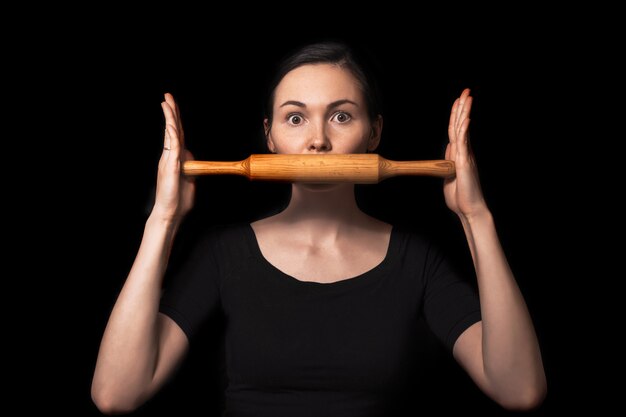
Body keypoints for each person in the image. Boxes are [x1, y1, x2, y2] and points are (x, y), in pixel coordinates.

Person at [91, 42, 546, 415]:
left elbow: (519, 390)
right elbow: (116, 395)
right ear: (269, 137)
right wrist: (163, 220)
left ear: (374, 134)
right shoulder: (223, 254)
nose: (317, 140)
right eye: (295, 117)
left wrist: (475, 215)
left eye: (341, 115)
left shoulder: (416, 260)